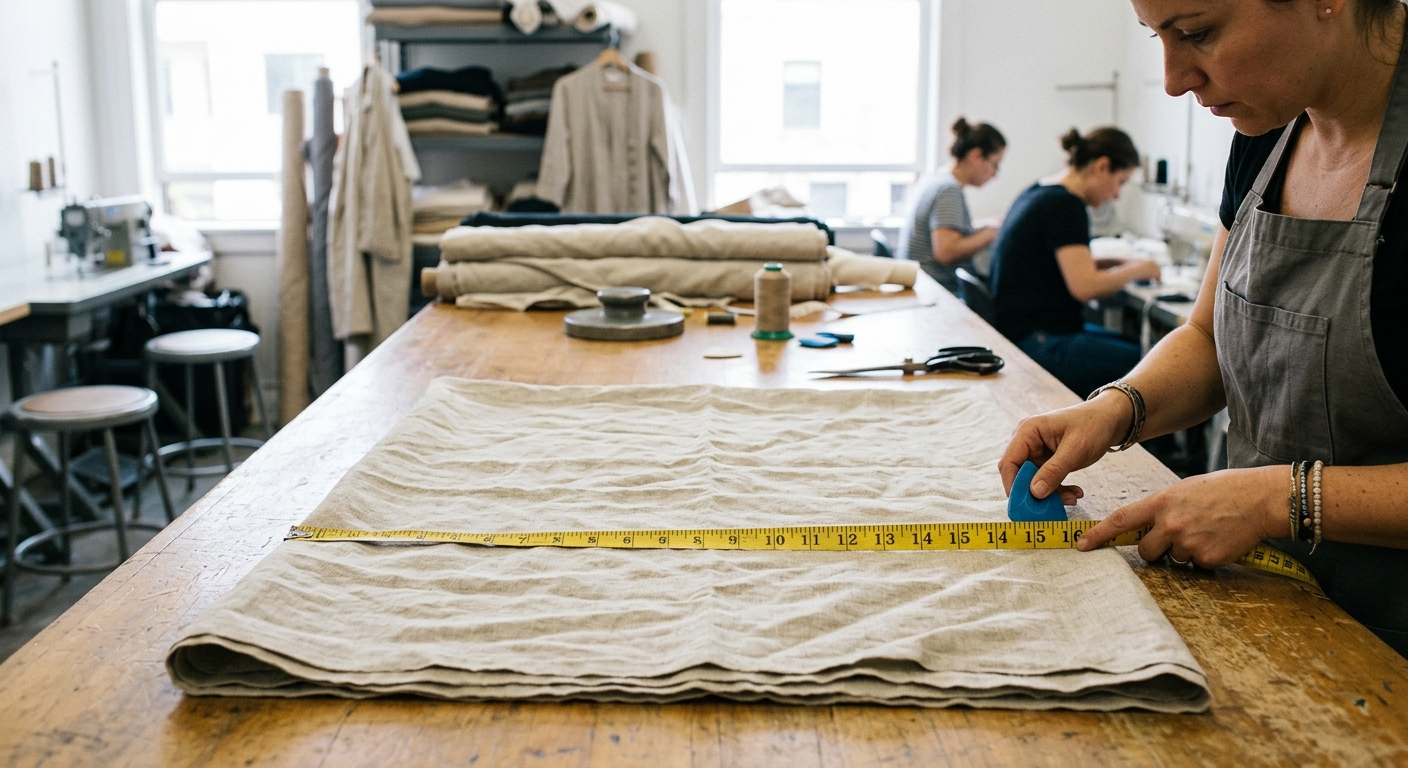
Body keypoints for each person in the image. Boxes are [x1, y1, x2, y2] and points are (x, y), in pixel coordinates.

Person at [1002, 0, 1408, 657]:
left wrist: (1280, 499)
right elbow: (1209, 338)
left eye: (1196, 33)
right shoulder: (1266, 135)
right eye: (1156, 36)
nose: (1171, 79)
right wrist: (1116, 408)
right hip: (1276, 608)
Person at [988, 127, 1163, 398]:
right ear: (1102, 166)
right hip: (1038, 340)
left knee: (1148, 354)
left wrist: (1117, 261)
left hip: (1021, 332)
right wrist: (1139, 269)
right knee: (1155, 369)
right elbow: (1086, 287)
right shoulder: (1066, 206)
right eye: (1121, 182)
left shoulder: (1039, 191)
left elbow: (1057, 261)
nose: (1116, 195)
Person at [896, 118, 1006, 292]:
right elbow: (946, 252)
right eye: (995, 165)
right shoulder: (948, 190)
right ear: (976, 156)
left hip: (924, 284)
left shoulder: (935, 179)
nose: (995, 174)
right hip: (938, 290)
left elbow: (946, 232)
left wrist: (984, 226)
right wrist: (992, 234)